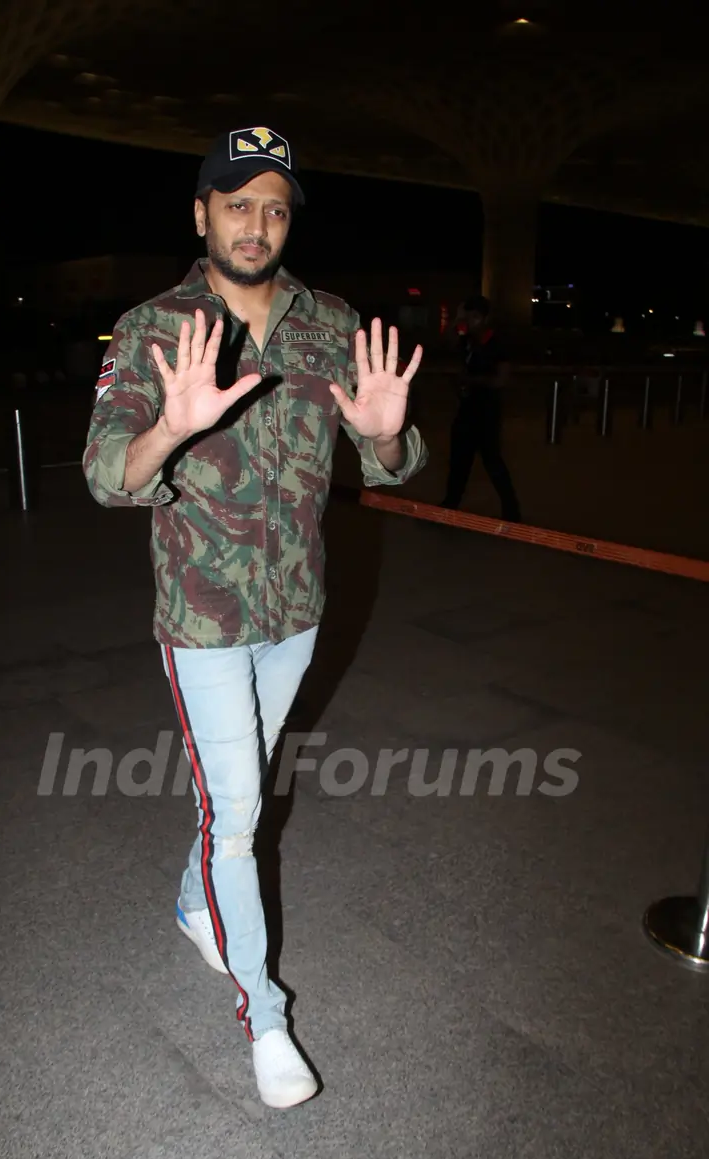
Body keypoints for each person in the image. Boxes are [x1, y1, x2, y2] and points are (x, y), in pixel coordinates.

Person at [82, 126, 428, 1109]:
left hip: (299, 610)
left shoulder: (329, 323)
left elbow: (388, 460)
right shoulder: (154, 326)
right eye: (237, 204)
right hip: (201, 616)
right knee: (238, 815)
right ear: (201, 215)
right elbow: (107, 477)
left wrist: (386, 435)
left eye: (275, 206)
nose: (257, 223)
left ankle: (193, 901)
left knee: (232, 794)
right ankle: (264, 1019)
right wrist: (171, 427)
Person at [440, 295, 521, 522]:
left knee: (493, 462)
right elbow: (446, 342)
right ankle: (450, 505)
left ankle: (512, 512)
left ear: (485, 318)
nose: (471, 321)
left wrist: (470, 380)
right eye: (468, 316)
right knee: (458, 460)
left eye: (474, 316)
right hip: (467, 409)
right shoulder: (468, 340)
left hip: (487, 411)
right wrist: (456, 319)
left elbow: (501, 381)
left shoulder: (497, 343)